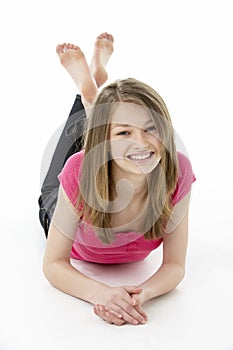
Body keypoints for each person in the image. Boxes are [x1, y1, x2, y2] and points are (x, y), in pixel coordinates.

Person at [39, 32, 196, 326]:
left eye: (151, 128)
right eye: (124, 132)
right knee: (64, 172)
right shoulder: (79, 168)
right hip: (62, 202)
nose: (141, 143)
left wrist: (138, 294)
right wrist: (102, 293)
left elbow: (175, 265)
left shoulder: (179, 171)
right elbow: (54, 264)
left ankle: (94, 93)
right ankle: (87, 96)